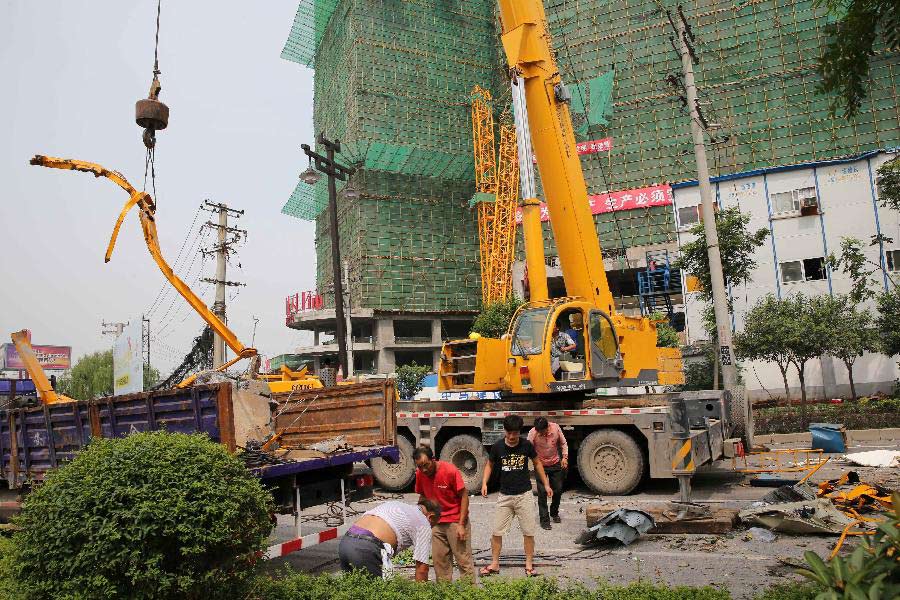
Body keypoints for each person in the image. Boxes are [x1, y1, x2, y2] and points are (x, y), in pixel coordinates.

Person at [479, 414, 553, 578]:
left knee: (528, 532)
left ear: (520, 432)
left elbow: (537, 463)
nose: (512, 437)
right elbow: (489, 465)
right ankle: (495, 564)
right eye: (509, 433)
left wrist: (546, 484)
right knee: (497, 532)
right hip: (504, 496)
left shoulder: (526, 445)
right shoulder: (498, 446)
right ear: (505, 431)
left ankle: (528, 565)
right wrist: (484, 483)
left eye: (515, 433)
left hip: (524, 495)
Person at [338, 499, 441, 580]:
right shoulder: (423, 523)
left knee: (352, 590)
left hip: (345, 542)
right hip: (366, 548)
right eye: (434, 524)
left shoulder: (396, 504)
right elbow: (422, 569)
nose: (431, 527)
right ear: (431, 517)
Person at [414, 445, 475, 582]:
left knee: (463, 561)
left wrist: (461, 524)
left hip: (455, 520)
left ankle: (471, 594)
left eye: (426, 465)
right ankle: (444, 593)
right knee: (440, 563)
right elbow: (423, 496)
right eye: (420, 467)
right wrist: (420, 517)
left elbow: (464, 496)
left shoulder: (450, 470)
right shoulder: (420, 474)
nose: (424, 470)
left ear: (433, 459)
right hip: (436, 523)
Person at [527, 417, 568, 529]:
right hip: (540, 465)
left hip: (555, 463)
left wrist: (565, 457)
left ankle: (554, 513)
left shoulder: (555, 428)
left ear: (547, 427)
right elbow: (528, 448)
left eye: (542, 431)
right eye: (538, 431)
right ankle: (544, 520)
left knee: (558, 490)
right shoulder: (533, 433)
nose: (540, 433)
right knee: (542, 492)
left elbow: (563, 444)